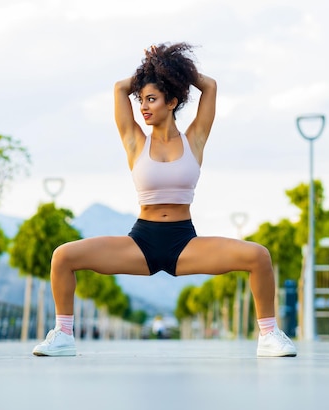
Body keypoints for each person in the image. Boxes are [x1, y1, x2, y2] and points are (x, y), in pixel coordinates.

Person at [32, 42, 297, 358]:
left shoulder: (194, 139)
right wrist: (151, 68)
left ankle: (269, 335)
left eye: (152, 100)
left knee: (259, 257)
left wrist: (172, 69)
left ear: (172, 101)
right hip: (142, 241)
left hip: (184, 243)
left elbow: (209, 86)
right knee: (63, 256)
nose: (144, 107)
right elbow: (119, 89)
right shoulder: (135, 142)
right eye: (142, 100)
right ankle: (63, 335)